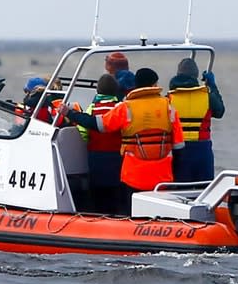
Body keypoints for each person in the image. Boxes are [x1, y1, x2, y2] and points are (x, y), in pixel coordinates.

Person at [64, 67, 184, 213]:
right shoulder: (169, 107)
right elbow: (179, 147)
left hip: (134, 175)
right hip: (163, 176)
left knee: (129, 212)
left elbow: (98, 125)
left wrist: (70, 113)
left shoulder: (126, 108)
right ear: (154, 85)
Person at [167, 57, 224, 182]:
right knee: (203, 189)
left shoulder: (169, 98)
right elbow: (220, 112)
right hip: (203, 150)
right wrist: (212, 86)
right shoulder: (207, 96)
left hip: (179, 150)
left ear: (178, 74)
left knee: (179, 189)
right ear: (196, 76)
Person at [77, 73, 123, 214]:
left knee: (99, 191)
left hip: (96, 155)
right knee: (116, 191)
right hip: (117, 156)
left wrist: (88, 142)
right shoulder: (120, 107)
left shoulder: (91, 108)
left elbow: (83, 131)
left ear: (98, 91)